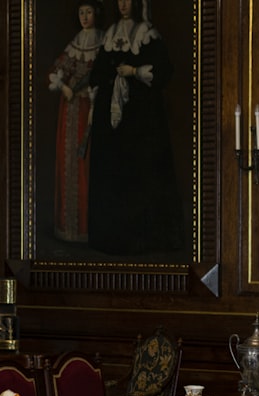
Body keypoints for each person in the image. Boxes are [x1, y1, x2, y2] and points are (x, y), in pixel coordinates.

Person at [86, 0, 184, 255]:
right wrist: (106, 85)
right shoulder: (110, 33)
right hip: (112, 119)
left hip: (141, 117)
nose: (123, 5)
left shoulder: (146, 32)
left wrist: (135, 71)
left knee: (140, 170)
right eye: (119, 0)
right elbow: (97, 72)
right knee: (113, 171)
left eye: (128, 0)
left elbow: (164, 70)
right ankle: (111, 237)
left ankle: (144, 239)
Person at [47, 1, 104, 243]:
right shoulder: (75, 42)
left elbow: (102, 75)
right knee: (68, 161)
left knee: (89, 164)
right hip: (70, 110)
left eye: (88, 11)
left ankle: (88, 229)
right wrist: (64, 87)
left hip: (91, 109)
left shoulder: (104, 41)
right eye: (81, 12)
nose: (84, 16)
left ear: (96, 14)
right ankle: (68, 228)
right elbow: (56, 71)